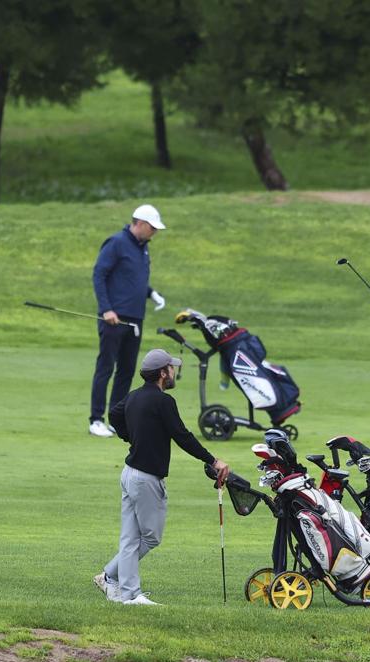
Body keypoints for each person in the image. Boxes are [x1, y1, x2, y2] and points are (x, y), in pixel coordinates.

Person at [93, 348, 230, 606]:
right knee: (149, 537)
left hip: (129, 474)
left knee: (130, 537)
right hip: (145, 479)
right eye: (172, 368)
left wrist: (130, 436)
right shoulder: (163, 401)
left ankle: (115, 582)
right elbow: (182, 436)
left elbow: (114, 414)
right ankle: (127, 590)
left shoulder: (134, 397)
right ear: (162, 373)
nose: (174, 372)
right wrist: (212, 460)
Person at [88, 204, 168, 437]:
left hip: (135, 319)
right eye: (152, 228)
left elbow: (135, 280)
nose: (155, 232)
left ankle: (115, 419)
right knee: (105, 367)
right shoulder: (116, 243)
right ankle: (95, 420)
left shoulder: (143, 248)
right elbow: (99, 275)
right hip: (114, 318)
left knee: (126, 370)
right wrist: (106, 309)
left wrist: (152, 293)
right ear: (140, 224)